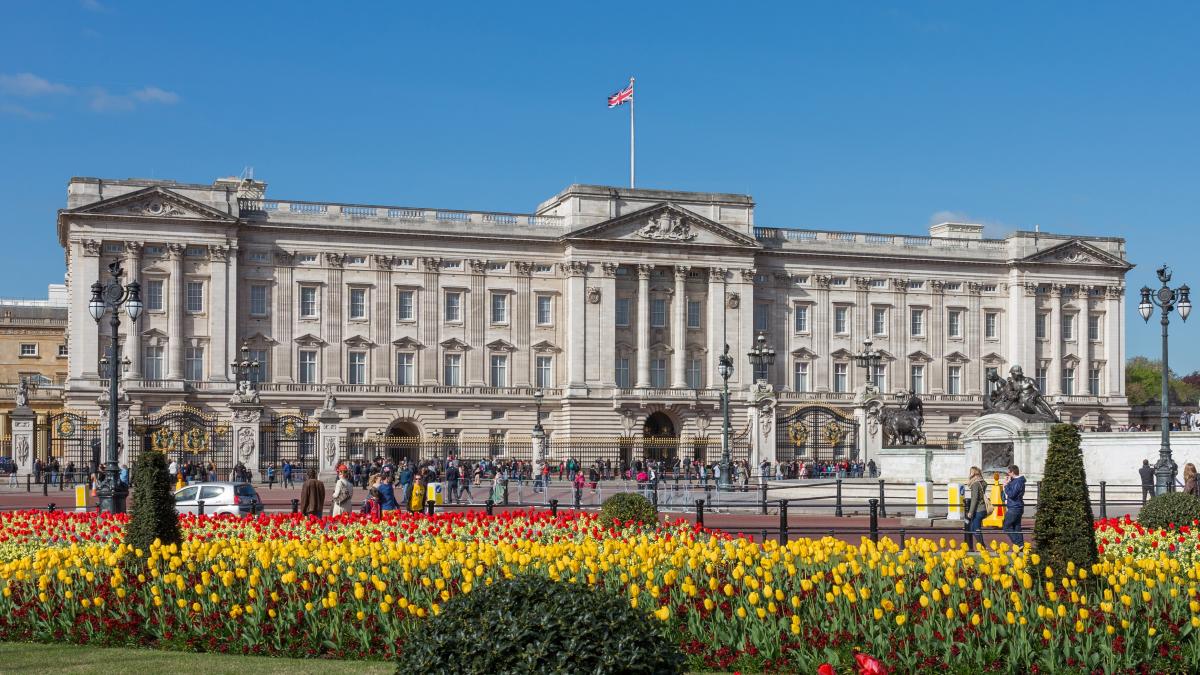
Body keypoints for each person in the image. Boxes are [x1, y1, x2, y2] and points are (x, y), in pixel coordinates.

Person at [1002, 464, 1026, 547]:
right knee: (1016, 526)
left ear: (1012, 472)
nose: (1008, 474)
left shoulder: (1018, 481)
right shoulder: (1015, 481)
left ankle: (1018, 544)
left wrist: (1006, 485)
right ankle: (1021, 545)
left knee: (1006, 527)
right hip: (1015, 506)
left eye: (1009, 473)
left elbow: (1012, 494)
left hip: (1014, 507)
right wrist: (1007, 482)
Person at [963, 466, 987, 550]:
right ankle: (982, 545)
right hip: (982, 508)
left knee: (975, 528)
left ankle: (982, 546)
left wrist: (970, 512)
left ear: (973, 473)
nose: (969, 474)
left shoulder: (975, 484)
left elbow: (974, 499)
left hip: (978, 509)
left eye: (970, 472)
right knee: (974, 527)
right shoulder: (982, 482)